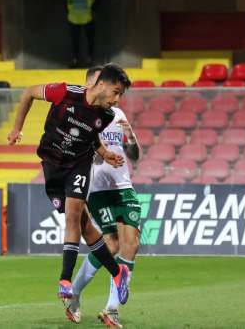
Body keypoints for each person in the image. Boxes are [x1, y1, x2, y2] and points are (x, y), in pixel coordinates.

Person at [6, 63, 132, 315]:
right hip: (52, 166)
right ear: (102, 84)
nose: (117, 99)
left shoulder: (107, 115)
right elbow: (29, 92)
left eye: (121, 95)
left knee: (74, 215)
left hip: (79, 165)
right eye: (116, 92)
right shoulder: (65, 93)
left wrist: (104, 153)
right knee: (84, 227)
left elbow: (91, 136)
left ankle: (65, 280)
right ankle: (118, 273)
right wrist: (16, 128)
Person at [66, 66, 142, 328]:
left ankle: (111, 309)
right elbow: (78, 155)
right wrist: (99, 153)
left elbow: (134, 156)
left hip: (124, 187)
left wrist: (129, 137)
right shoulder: (82, 116)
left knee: (130, 242)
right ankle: (75, 293)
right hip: (98, 190)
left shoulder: (117, 114)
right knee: (111, 243)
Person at [66, 0, 97, 68]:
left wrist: (94, 10)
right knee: (75, 41)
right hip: (73, 18)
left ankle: (90, 60)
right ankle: (75, 60)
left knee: (90, 40)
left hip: (88, 17)